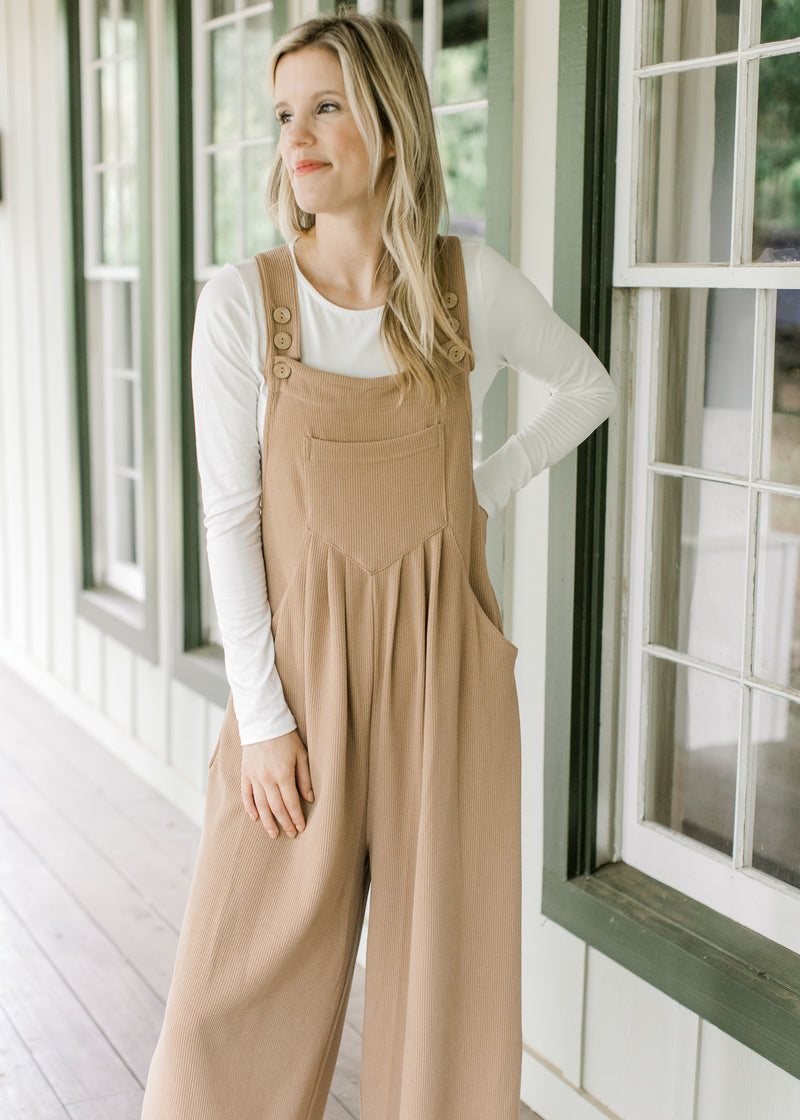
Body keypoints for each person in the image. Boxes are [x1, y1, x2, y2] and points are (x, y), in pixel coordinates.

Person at [140, 10, 616, 1120]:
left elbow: (587, 387)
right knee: (230, 991)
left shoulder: (466, 284)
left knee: (445, 1000)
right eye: (282, 116)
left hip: (442, 679)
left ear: (390, 130)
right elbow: (229, 519)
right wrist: (261, 718)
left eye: (325, 108)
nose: (296, 140)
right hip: (295, 693)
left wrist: (478, 491)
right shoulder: (241, 306)